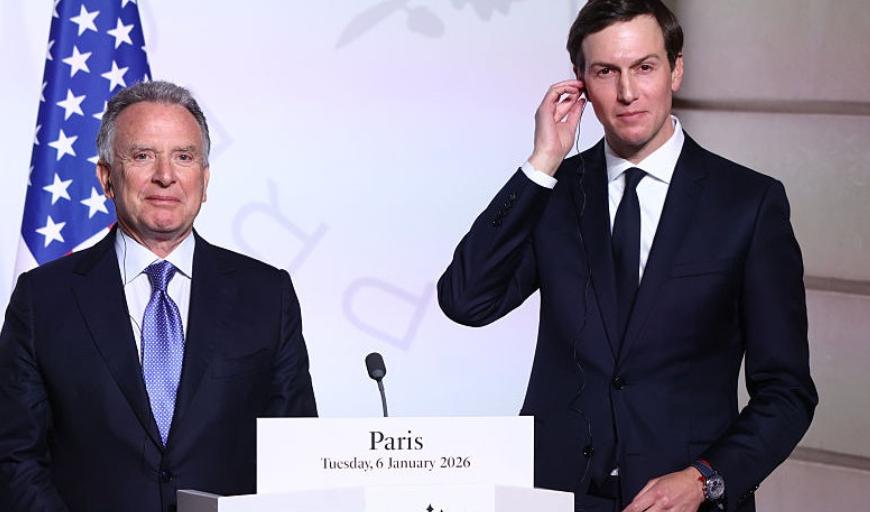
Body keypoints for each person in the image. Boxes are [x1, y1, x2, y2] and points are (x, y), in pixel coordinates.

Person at [437, 1, 817, 511]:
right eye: (606, 72)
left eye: (644, 67)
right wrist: (542, 162)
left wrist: (704, 479)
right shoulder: (554, 193)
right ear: (580, 82)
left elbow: (787, 393)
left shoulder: (748, 204)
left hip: (686, 501)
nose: (627, 92)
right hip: (557, 496)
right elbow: (466, 300)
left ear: (675, 69)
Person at [0, 80, 317, 512]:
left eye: (183, 157)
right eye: (143, 155)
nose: (165, 176)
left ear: (204, 179)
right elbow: (14, 457)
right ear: (107, 178)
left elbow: (297, 457)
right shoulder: (42, 299)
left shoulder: (267, 295)